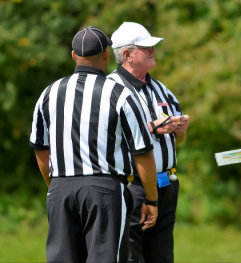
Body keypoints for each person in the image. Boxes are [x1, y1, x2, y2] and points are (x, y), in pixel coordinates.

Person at [29, 26, 159, 263]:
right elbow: (143, 152)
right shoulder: (120, 94)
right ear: (107, 55)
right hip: (104, 190)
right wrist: (151, 200)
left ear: (72, 55)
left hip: (60, 190)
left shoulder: (49, 93)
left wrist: (55, 186)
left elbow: (41, 148)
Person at [107, 22, 190, 263]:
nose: (153, 50)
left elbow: (177, 142)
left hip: (167, 183)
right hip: (133, 187)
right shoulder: (110, 89)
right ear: (127, 55)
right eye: (146, 47)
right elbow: (108, 136)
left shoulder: (162, 89)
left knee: (163, 257)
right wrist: (153, 127)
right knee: (132, 256)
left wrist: (179, 130)